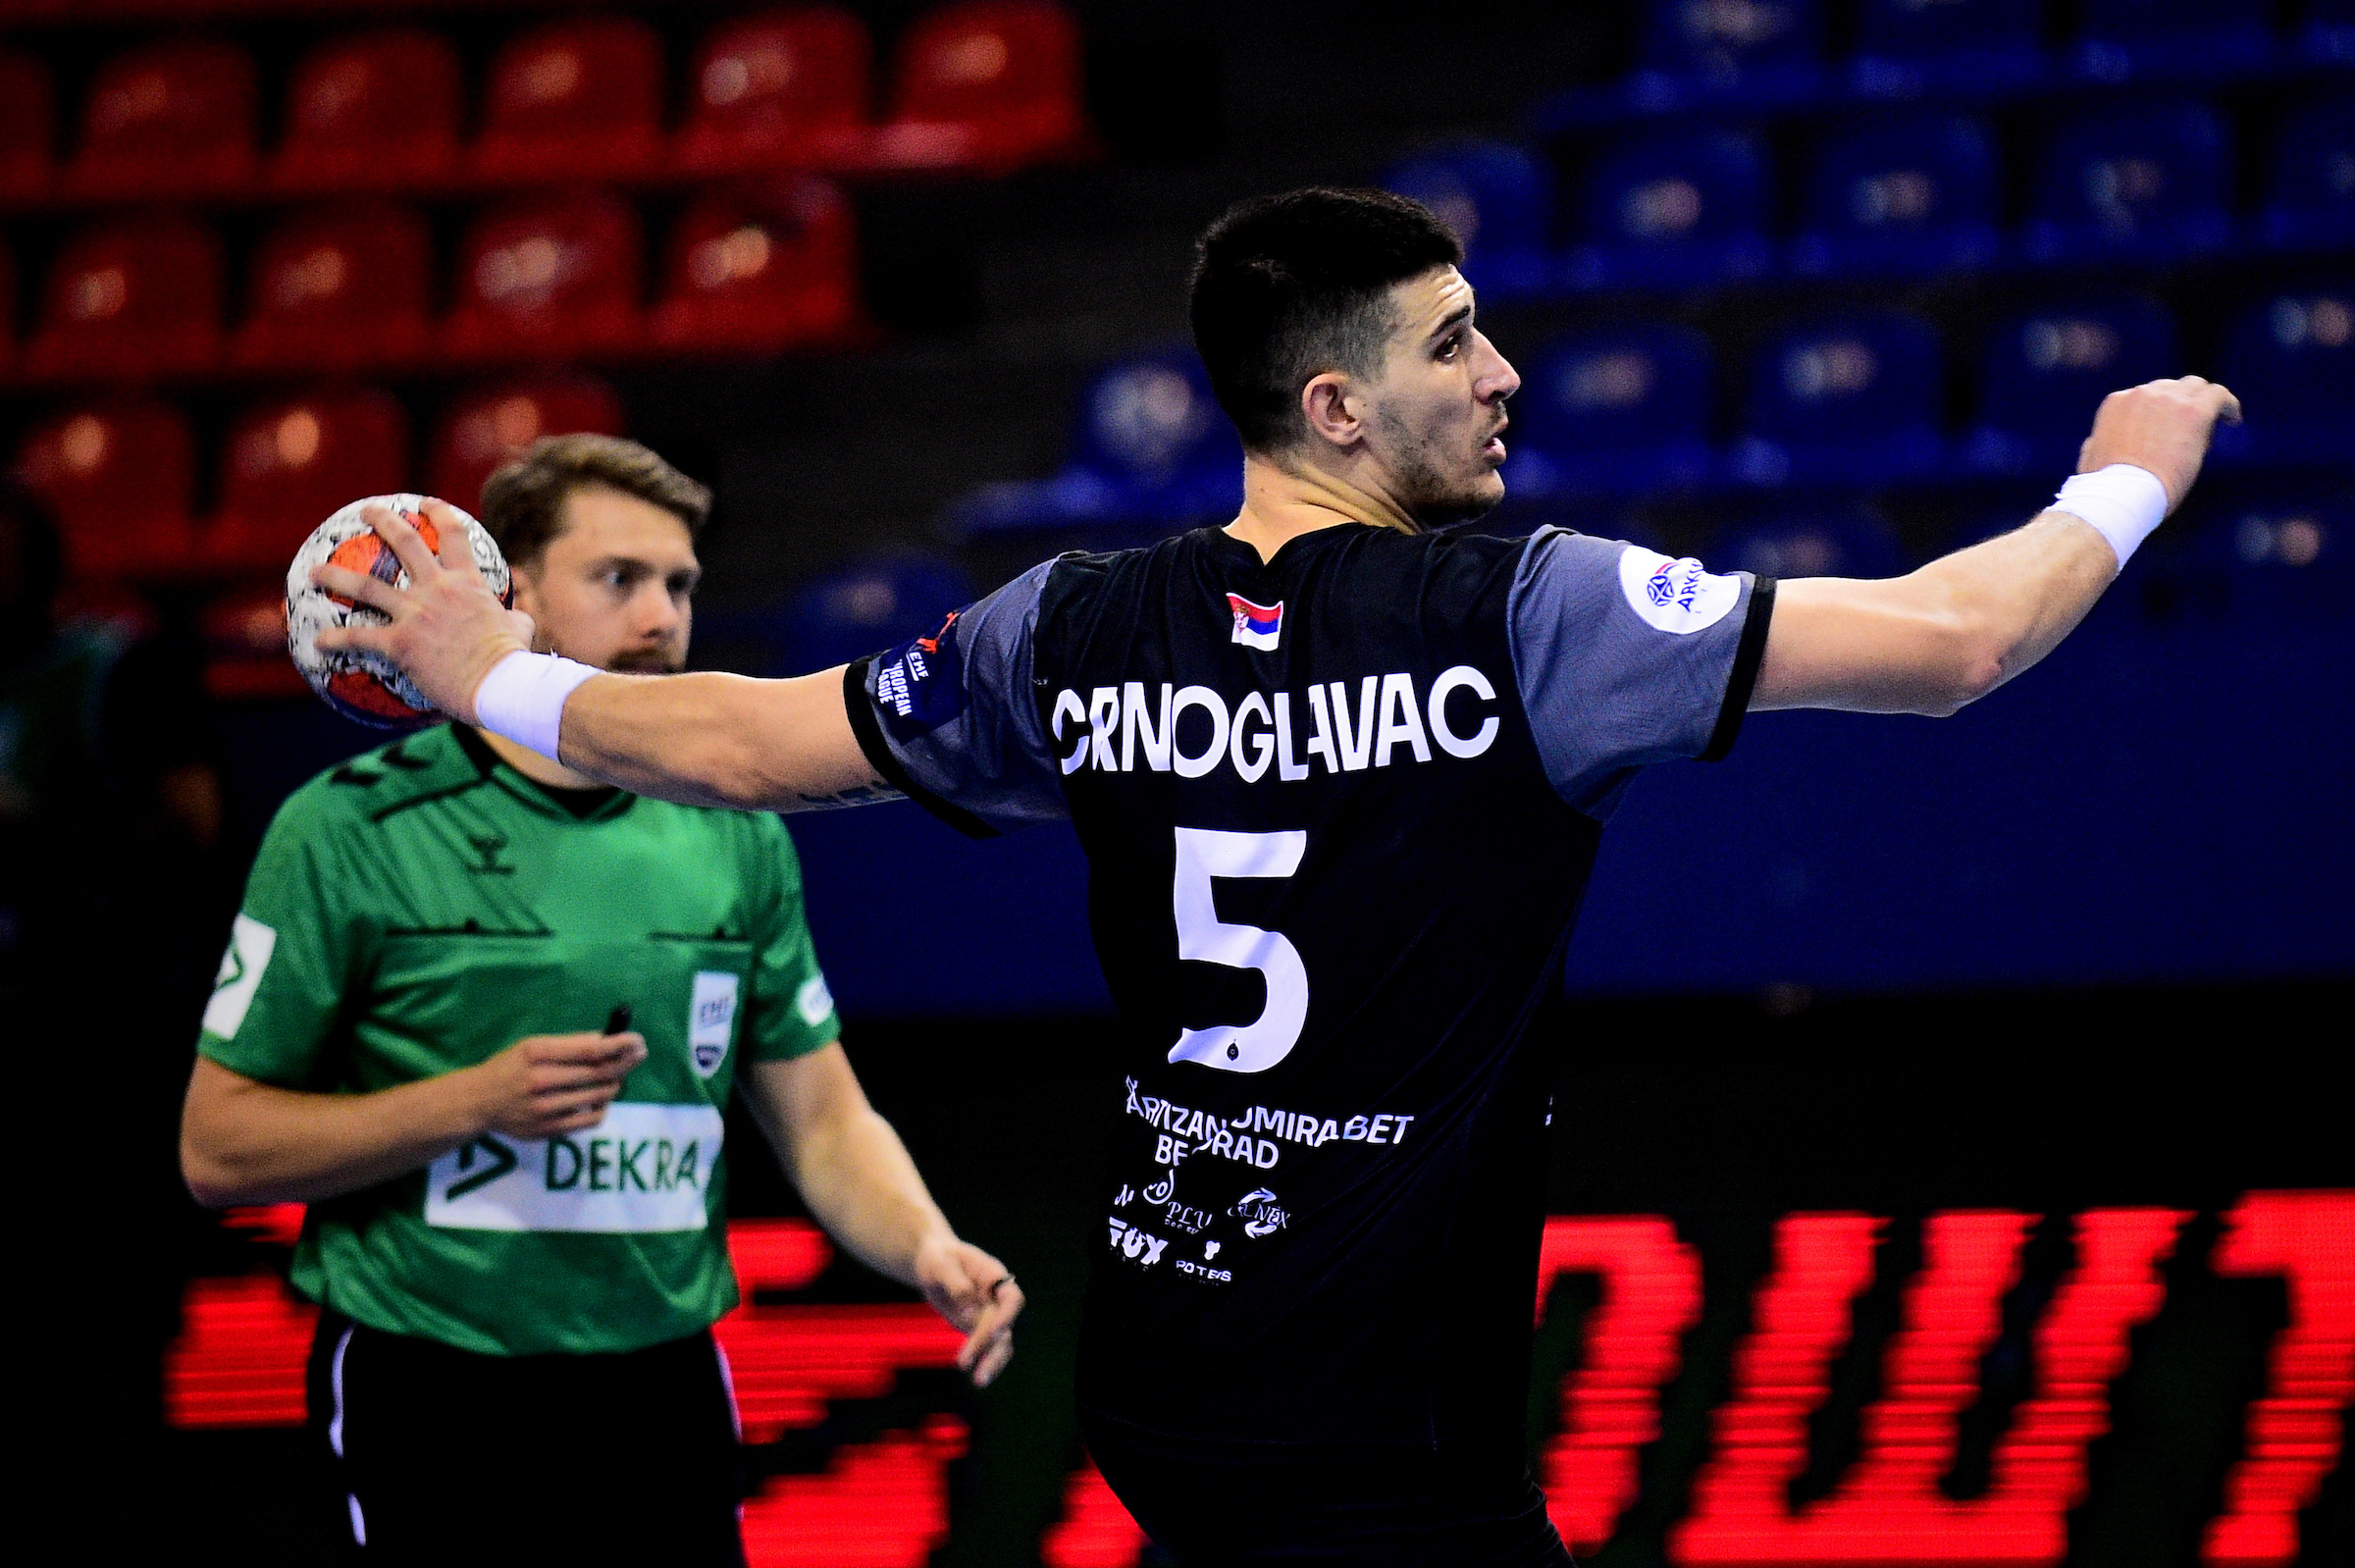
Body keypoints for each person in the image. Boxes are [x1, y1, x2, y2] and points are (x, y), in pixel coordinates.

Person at [311, 190, 2240, 1566]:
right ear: (1334, 409)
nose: (1503, 372)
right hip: (1388, 1423)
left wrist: (496, 675)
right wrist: (2124, 475)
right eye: (1451, 343)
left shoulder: (1070, 628)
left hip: (1161, 1372)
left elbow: (738, 743)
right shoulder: (1528, 612)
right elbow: (1953, 640)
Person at [181, 437, 1023, 1563]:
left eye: (679, 583)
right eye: (618, 578)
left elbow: (824, 1120)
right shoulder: (346, 830)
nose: (661, 617)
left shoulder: (736, 835)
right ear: (503, 596)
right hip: (433, 1380)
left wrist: (925, 1243)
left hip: (662, 1380)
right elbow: (218, 1148)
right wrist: (471, 1100)